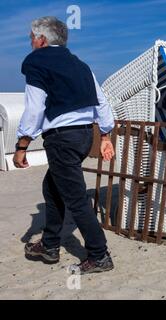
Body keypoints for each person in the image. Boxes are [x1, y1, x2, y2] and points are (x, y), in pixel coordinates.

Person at [13, 16, 115, 274]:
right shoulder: (80, 65)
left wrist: (22, 144)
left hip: (62, 138)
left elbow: (35, 108)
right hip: (83, 137)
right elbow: (101, 102)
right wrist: (104, 135)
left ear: (42, 39)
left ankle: (99, 254)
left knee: (75, 197)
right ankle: (49, 245)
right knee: (53, 188)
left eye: (31, 38)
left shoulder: (36, 60)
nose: (30, 42)